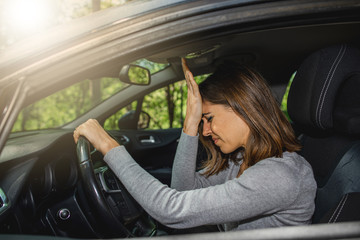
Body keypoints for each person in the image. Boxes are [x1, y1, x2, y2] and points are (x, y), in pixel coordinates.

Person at [73, 58, 316, 232]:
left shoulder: (279, 176)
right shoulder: (243, 160)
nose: (206, 131)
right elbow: (183, 189)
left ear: (243, 108)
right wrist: (190, 125)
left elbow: (171, 209)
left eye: (208, 119)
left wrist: (107, 144)